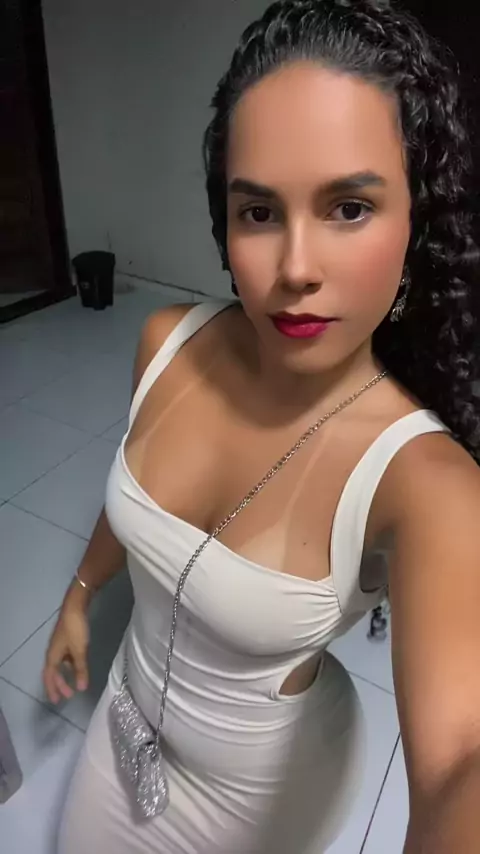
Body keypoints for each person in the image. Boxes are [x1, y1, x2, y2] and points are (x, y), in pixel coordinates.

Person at [44, 1, 480, 852]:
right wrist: (82, 594)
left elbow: (461, 754)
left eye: (348, 207)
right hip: (124, 716)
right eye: (260, 212)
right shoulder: (166, 341)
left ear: (415, 223)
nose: (296, 268)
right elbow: (129, 492)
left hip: (262, 798)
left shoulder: (428, 482)